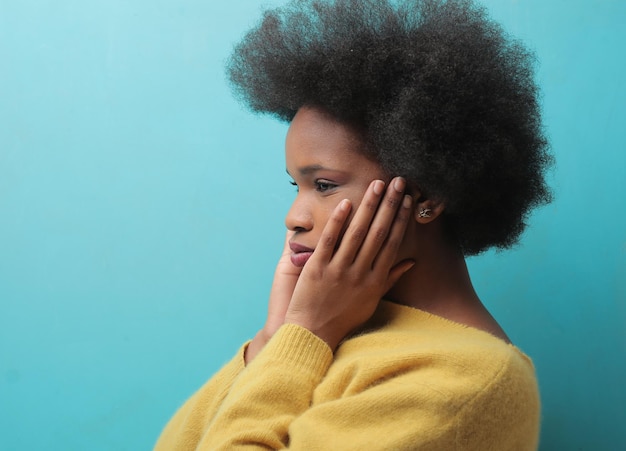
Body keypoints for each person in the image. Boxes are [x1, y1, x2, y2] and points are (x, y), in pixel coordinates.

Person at [154, 0, 552, 449]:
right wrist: (273, 339)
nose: (294, 218)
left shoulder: (471, 377)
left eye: (323, 185)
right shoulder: (334, 325)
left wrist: (306, 336)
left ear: (426, 195)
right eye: (295, 186)